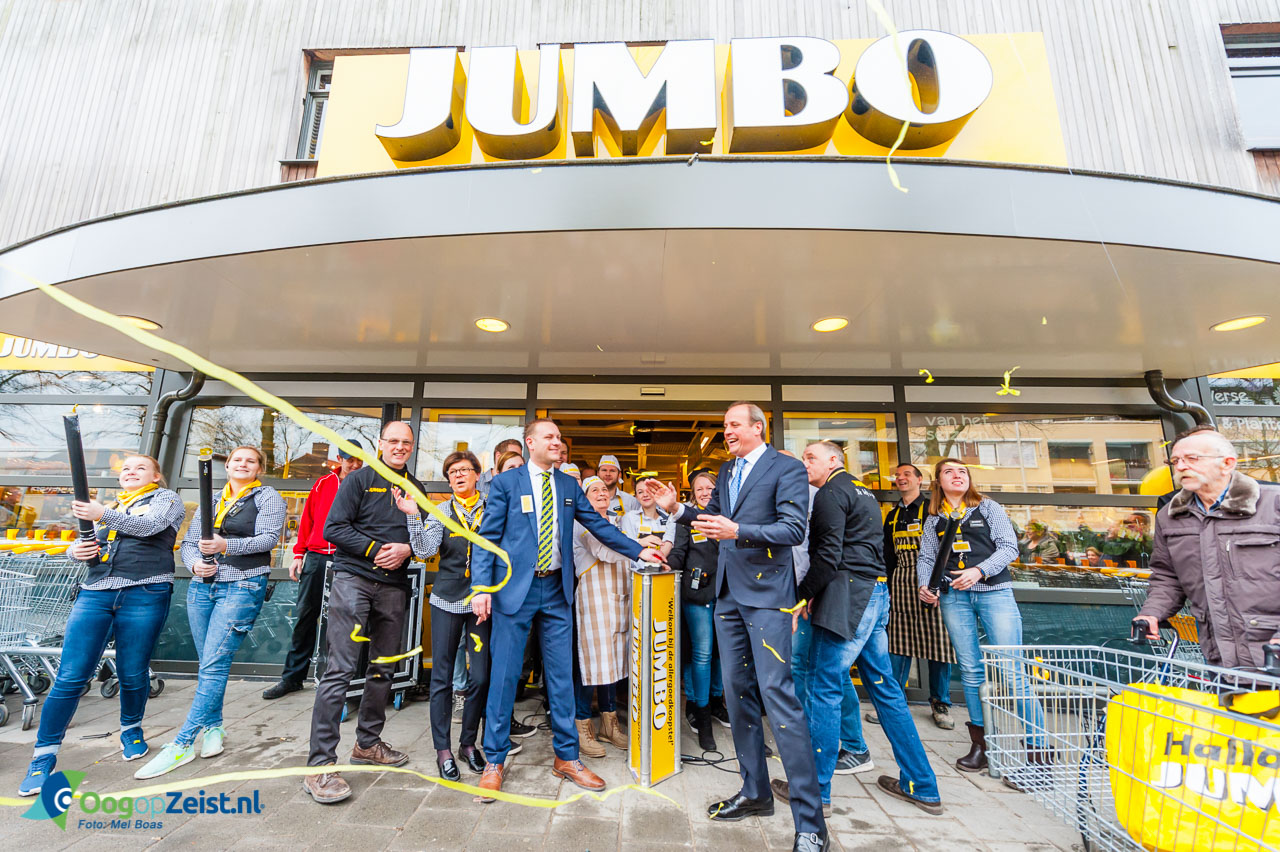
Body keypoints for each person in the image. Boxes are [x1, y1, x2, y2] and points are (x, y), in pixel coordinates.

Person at [648, 402, 827, 852]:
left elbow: (791, 530)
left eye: (733, 424)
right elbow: (716, 524)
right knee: (737, 696)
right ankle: (755, 792)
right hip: (726, 595)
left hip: (768, 596)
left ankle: (811, 824)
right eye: (724, 425)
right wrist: (679, 510)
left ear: (756, 428)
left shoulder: (785, 468)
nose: (726, 431)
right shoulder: (727, 473)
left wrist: (739, 530)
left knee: (778, 701)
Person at [470, 419, 665, 802]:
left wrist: (638, 549)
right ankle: (494, 760)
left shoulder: (568, 485)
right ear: (531, 443)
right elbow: (486, 538)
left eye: (560, 437)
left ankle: (567, 757)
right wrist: (481, 588)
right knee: (506, 677)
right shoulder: (507, 484)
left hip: (557, 591)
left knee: (561, 677)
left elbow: (598, 526)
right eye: (550, 437)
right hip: (514, 592)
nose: (558, 442)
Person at [773, 441, 941, 817]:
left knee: (822, 688)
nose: (805, 463)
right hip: (875, 593)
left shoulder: (831, 493)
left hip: (848, 597)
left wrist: (802, 596)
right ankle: (922, 786)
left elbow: (827, 555)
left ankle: (815, 792)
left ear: (835, 460)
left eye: (811, 457)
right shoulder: (862, 491)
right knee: (887, 692)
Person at [19, 455, 184, 796]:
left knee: (133, 670)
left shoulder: (167, 500)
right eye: (125, 468)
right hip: (95, 593)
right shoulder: (110, 505)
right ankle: (43, 755)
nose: (130, 471)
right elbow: (81, 544)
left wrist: (102, 514)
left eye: (140, 468)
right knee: (70, 675)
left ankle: (131, 729)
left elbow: (150, 527)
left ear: (156, 475)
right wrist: (75, 550)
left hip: (145, 591)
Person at [136, 447, 286, 780]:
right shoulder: (213, 497)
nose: (242, 464)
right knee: (209, 662)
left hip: (243, 584)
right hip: (203, 587)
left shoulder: (267, 496)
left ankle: (182, 743)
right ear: (228, 465)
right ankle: (214, 728)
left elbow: (268, 539)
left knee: (215, 664)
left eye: (250, 460)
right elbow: (189, 542)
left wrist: (225, 546)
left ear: (259, 468)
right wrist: (193, 564)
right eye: (237, 460)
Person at [302, 422, 431, 804]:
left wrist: (406, 550)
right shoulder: (358, 480)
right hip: (353, 580)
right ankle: (320, 765)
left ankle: (368, 744)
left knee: (383, 668)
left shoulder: (417, 489)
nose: (400, 447)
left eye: (406, 442)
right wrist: (376, 549)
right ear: (380, 444)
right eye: (393, 441)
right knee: (340, 669)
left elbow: (421, 538)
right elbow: (333, 528)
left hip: (394, 588)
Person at [916, 458, 1044, 777]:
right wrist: (924, 585)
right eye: (949, 472)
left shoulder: (987, 507)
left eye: (962, 471)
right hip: (953, 597)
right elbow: (928, 556)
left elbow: (1008, 548)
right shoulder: (935, 518)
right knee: (971, 671)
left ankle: (1038, 752)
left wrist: (979, 570)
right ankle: (983, 747)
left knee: (1012, 671)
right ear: (938, 482)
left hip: (994, 593)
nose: (957, 475)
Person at [1136, 426, 1280, 669]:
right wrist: (1151, 613)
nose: (1181, 466)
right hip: (1219, 652)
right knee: (1231, 707)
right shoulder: (1169, 516)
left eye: (1192, 459)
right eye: (1176, 460)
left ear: (1227, 463)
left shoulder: (1272, 503)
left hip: (1271, 646)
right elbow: (1167, 576)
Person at [782, 450, 871, 774]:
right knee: (812, 668)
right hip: (800, 592)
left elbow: (821, 552)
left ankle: (833, 746)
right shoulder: (790, 492)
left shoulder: (821, 494)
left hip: (813, 593)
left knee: (819, 670)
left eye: (807, 460)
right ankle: (838, 740)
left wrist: (806, 596)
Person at [264, 440, 364, 700]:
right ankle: (293, 677)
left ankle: (339, 681)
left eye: (358, 460)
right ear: (339, 459)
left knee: (343, 621)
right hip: (318, 557)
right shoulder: (323, 484)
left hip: (349, 559)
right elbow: (307, 519)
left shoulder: (366, 483)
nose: (354, 465)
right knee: (306, 616)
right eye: (349, 459)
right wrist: (299, 554)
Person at [419, 450, 491, 780]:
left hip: (482, 602)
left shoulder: (492, 509)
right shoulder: (441, 511)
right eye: (452, 472)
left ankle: (468, 744)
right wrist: (410, 515)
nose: (458, 475)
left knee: (479, 677)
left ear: (477, 474)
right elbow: (424, 550)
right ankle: (443, 750)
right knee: (442, 677)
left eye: (464, 470)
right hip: (447, 600)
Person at [881, 462, 955, 731]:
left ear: (920, 480)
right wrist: (886, 586)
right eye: (897, 476)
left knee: (938, 645)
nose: (901, 479)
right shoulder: (892, 515)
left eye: (907, 475)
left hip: (930, 583)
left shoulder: (933, 510)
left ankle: (940, 702)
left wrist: (937, 585)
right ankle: (894, 702)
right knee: (898, 644)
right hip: (900, 582)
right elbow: (888, 554)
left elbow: (945, 550)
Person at [571, 475, 633, 756]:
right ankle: (583, 725)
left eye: (604, 489)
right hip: (594, 602)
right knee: (592, 664)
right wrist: (642, 545)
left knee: (614, 663)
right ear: (584, 498)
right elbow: (605, 551)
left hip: (619, 600)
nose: (601, 492)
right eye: (593, 490)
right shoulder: (580, 524)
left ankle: (610, 724)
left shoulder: (620, 524)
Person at [626, 472, 675, 560]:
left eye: (649, 490)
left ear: (656, 492)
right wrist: (640, 542)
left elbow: (669, 543)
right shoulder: (630, 517)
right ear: (636, 497)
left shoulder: (669, 519)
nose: (645, 495)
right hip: (636, 571)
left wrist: (656, 561)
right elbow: (625, 544)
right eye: (640, 492)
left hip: (662, 568)